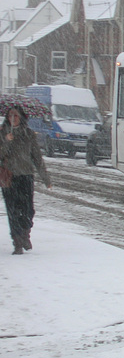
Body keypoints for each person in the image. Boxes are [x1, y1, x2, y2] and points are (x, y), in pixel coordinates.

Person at [0, 105, 51, 255]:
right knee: (13, 210)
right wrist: (6, 141)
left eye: (16, 116)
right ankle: (17, 242)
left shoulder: (28, 134)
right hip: (9, 177)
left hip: (26, 176)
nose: (13, 119)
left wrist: (45, 178)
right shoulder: (3, 133)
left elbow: (36, 157)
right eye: (10, 116)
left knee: (28, 209)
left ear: (21, 118)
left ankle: (25, 234)